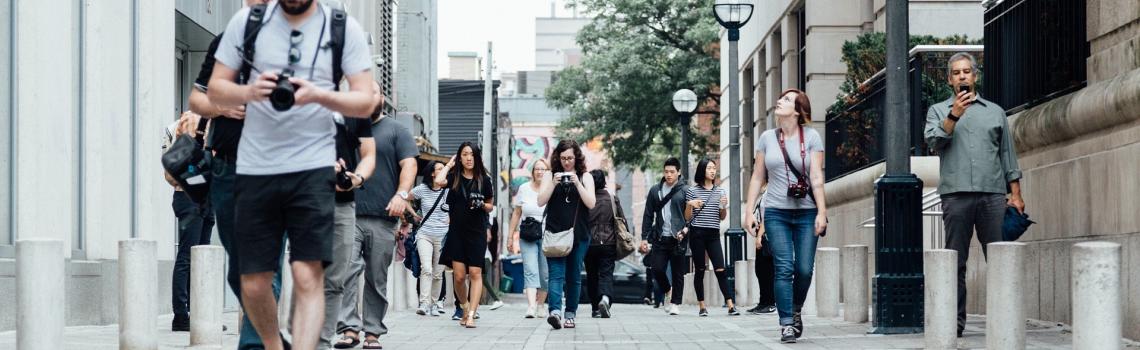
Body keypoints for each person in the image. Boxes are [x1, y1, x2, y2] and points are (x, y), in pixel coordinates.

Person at [207, 0, 377, 347]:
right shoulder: (248, 22)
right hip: (256, 167)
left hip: (313, 166)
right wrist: (250, 92)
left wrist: (318, 95)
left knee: (307, 273)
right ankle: (273, 345)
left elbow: (366, 101)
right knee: (253, 282)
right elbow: (215, 89)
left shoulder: (342, 28)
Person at [186, 1, 274, 346]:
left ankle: (254, 344)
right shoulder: (226, 43)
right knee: (241, 269)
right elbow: (197, 99)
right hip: (227, 166)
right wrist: (221, 106)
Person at [923, 52, 1024, 338]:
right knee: (956, 261)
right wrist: (954, 114)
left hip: (992, 195)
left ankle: (1005, 319)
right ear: (949, 79)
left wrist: (1015, 194)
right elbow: (933, 141)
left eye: (967, 71)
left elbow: (1007, 154)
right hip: (955, 196)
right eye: (956, 73)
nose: (962, 76)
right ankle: (954, 323)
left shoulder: (995, 112)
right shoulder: (938, 111)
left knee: (1000, 258)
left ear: (975, 76)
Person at [743, 89, 828, 344]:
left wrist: (822, 212)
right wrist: (749, 211)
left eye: (787, 99)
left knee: (803, 269)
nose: (780, 100)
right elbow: (758, 176)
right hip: (776, 212)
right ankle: (786, 324)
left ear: (799, 110)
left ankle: (795, 309)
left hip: (806, 212)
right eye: (780, 97)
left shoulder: (812, 137)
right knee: (784, 268)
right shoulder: (767, 138)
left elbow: (816, 177)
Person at [335, 105, 418, 349]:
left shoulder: (396, 130)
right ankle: (349, 329)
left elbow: (410, 165)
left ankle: (373, 332)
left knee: (376, 277)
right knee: (346, 271)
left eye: (374, 93)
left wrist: (402, 195)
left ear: (381, 98)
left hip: (384, 216)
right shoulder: (343, 127)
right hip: (346, 212)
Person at [317, 109, 376, 349]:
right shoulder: (295, 99)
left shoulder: (353, 110)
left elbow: (369, 154)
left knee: (335, 281)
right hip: (302, 199)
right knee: (306, 274)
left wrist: (356, 178)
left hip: (342, 203)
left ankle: (320, 342)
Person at [162, 112, 217, 332]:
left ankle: (199, 314)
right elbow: (175, 171)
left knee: (201, 258)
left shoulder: (211, 122)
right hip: (188, 197)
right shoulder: (184, 124)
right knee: (188, 256)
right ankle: (181, 316)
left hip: (203, 197)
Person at [537, 140, 597, 330]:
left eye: (570, 158)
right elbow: (540, 201)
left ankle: (570, 314)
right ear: (557, 158)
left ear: (576, 157)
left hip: (578, 235)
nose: (567, 162)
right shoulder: (549, 175)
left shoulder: (585, 177)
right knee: (555, 276)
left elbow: (591, 203)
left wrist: (577, 183)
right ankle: (555, 312)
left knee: (573, 277)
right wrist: (552, 184)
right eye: (563, 158)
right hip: (554, 233)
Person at [434, 142, 495, 328]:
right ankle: (464, 306)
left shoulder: (484, 180)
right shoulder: (454, 177)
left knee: (475, 273)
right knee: (459, 277)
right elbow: (438, 181)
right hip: (457, 232)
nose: (469, 158)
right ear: (460, 157)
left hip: (477, 231)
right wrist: (449, 165)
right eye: (465, 154)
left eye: (472, 154)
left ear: (477, 158)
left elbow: (490, 205)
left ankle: (471, 315)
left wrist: (481, 205)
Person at [683, 158, 739, 316]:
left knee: (720, 269)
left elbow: (722, 217)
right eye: (709, 168)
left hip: (713, 234)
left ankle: (730, 305)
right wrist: (690, 204)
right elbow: (688, 218)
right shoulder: (692, 191)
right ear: (702, 170)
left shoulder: (720, 191)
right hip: (697, 234)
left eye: (714, 168)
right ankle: (702, 306)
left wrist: (723, 206)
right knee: (700, 269)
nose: (713, 171)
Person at [641, 157, 689, 316]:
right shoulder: (656, 190)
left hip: (678, 237)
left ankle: (675, 303)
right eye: (666, 171)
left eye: (672, 172)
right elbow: (648, 215)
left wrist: (685, 230)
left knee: (678, 272)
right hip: (660, 237)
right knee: (656, 269)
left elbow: (691, 216)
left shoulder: (685, 190)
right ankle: (668, 290)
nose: (669, 175)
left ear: (679, 172)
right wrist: (643, 237)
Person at [507, 159, 551, 318]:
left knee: (545, 274)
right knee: (530, 270)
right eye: (537, 169)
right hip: (528, 235)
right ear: (532, 172)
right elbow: (517, 213)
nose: (540, 172)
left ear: (548, 172)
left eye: (543, 169)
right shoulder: (524, 189)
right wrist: (510, 237)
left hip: (547, 235)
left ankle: (541, 305)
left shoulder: (551, 189)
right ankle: (531, 306)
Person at [410, 161, 449, 316]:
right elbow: (405, 195)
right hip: (424, 234)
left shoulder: (448, 191)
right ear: (432, 173)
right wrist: (413, 214)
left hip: (443, 236)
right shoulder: (423, 189)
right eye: (439, 169)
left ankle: (434, 304)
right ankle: (424, 303)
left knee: (438, 273)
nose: (442, 171)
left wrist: (452, 218)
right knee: (426, 268)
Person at [585, 169, 625, 318]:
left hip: (589, 244)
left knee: (592, 275)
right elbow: (621, 219)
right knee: (606, 273)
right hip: (609, 243)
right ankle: (605, 298)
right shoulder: (612, 199)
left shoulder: (586, 199)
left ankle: (595, 308)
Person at [745, 197, 776, 315]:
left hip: (768, 234)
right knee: (760, 270)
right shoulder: (763, 194)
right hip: (762, 233)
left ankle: (770, 303)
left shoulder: (771, 192)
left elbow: (768, 216)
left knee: (768, 270)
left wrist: (759, 236)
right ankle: (763, 302)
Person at [481, 217, 506, 310]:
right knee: (479, 278)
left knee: (482, 279)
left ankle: (497, 299)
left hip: (486, 257)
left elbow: (490, 238)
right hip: (484, 256)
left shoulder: (488, 228)